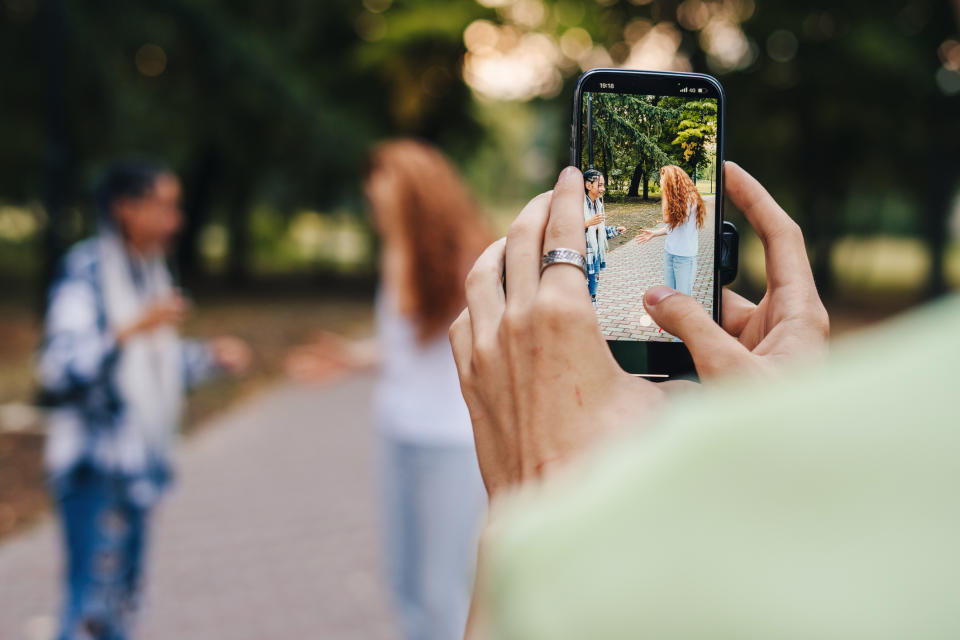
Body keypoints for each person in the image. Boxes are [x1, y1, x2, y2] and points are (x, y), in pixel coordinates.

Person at [449, 163, 960, 638]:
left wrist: (540, 490)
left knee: (671, 294)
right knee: (680, 296)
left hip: (674, 263)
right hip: (687, 260)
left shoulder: (587, 578)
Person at [37, 160, 250, 640]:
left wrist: (211, 357)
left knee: (122, 604)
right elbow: (58, 369)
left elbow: (157, 367)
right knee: (89, 605)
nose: (176, 220)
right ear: (126, 209)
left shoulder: (149, 271)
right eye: (165, 207)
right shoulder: (86, 271)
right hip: (94, 470)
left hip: (139, 468)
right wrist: (133, 328)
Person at [288, 140, 491, 640]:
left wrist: (402, 242)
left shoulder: (464, 257)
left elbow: (457, 335)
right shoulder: (398, 251)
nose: (371, 195)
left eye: (383, 183)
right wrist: (351, 358)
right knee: (403, 586)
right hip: (398, 432)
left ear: (416, 190)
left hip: (449, 444)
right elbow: (408, 344)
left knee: (443, 593)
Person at [636, 164, 706, 296]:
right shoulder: (678, 200)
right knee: (670, 296)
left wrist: (665, 193)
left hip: (685, 256)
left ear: (672, 180)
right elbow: (673, 227)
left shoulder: (691, 200)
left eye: (663, 178)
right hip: (670, 253)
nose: (660, 181)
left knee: (683, 298)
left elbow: (667, 219)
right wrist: (654, 234)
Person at [582, 169, 626, 307]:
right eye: (600, 185)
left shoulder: (597, 205)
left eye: (603, 185)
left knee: (591, 296)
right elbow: (566, 231)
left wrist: (614, 230)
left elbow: (598, 232)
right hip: (581, 261)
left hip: (594, 259)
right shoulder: (577, 205)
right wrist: (587, 224)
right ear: (588, 186)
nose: (603, 189)